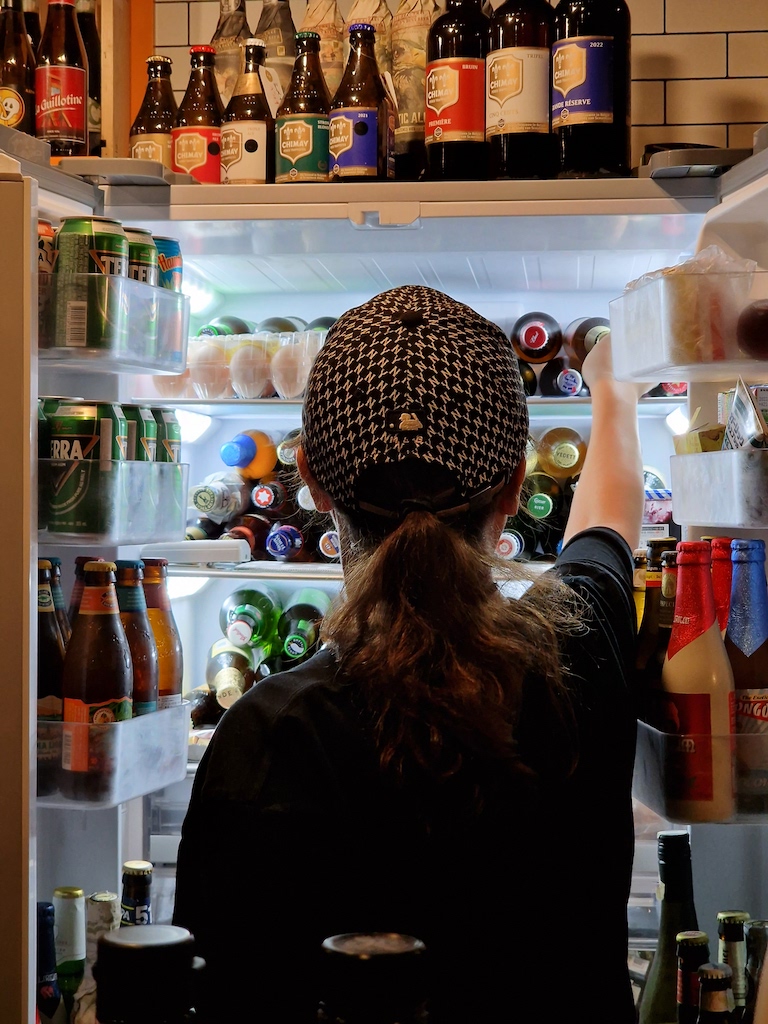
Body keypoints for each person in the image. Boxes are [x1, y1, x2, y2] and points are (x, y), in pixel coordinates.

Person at [173, 285, 646, 1023]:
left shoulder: (270, 733)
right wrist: (612, 388)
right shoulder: (579, 657)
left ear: (316, 485)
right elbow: (609, 522)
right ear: (517, 486)